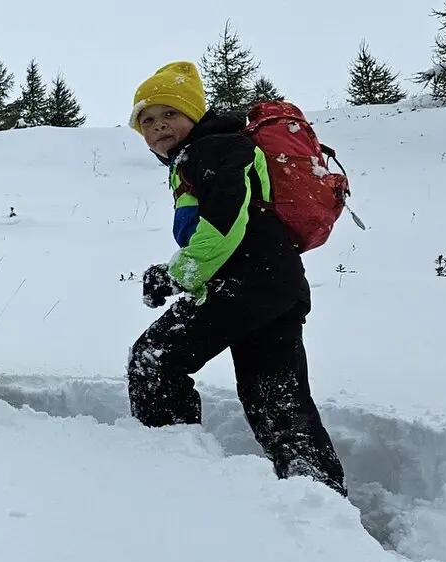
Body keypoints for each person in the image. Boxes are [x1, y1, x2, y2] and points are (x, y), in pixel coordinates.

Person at [125, 61, 346, 496]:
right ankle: (318, 499)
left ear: (194, 113)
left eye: (169, 113)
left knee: (155, 359)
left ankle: (174, 475)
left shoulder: (212, 148)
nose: (158, 126)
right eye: (146, 120)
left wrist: (178, 275)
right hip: (275, 284)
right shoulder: (213, 150)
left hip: (242, 283)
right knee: (276, 399)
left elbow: (225, 224)